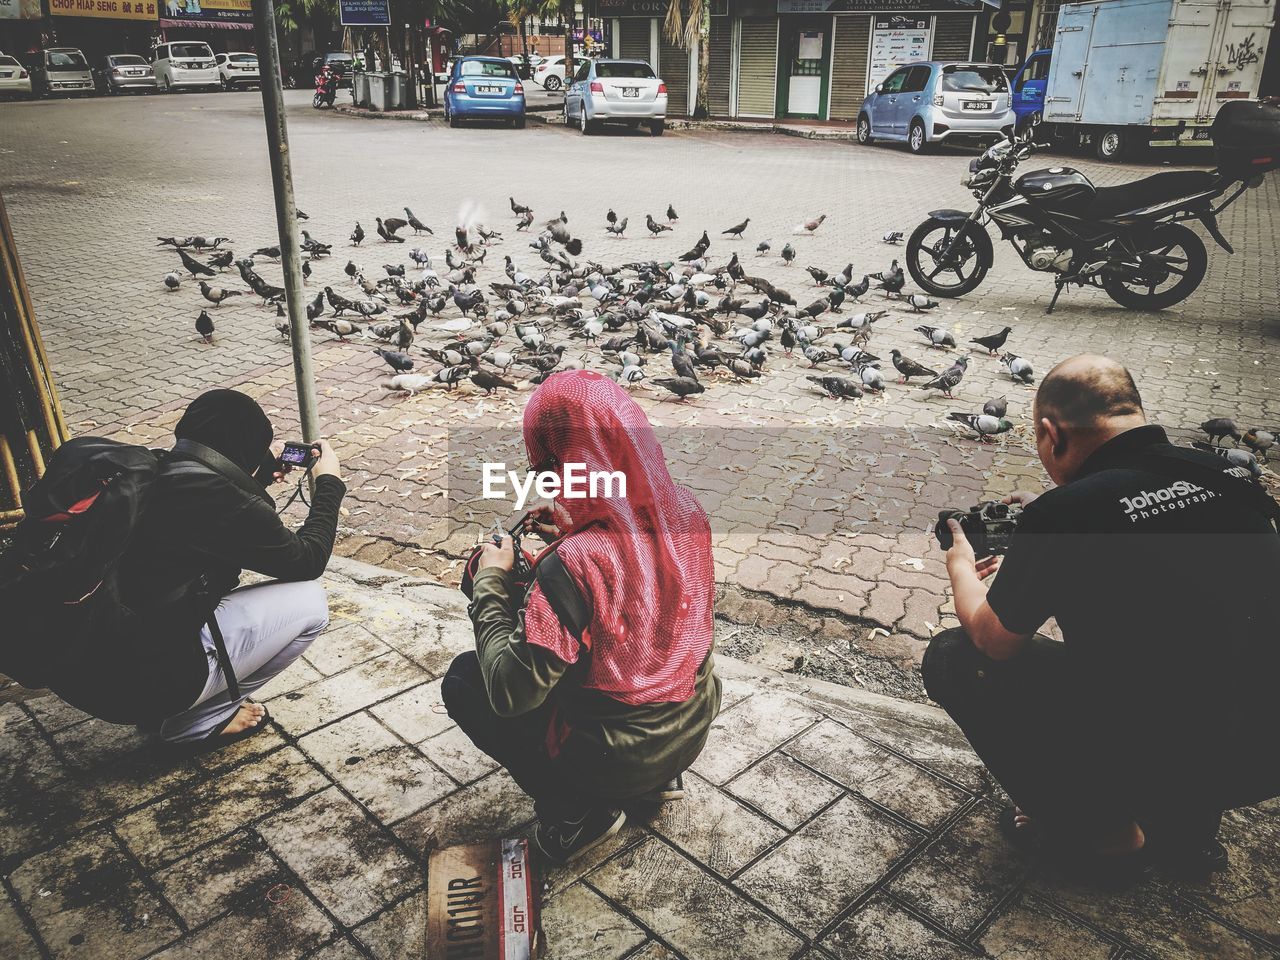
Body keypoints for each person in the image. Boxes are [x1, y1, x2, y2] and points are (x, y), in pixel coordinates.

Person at [924, 355, 1280, 875]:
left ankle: (1102, 832)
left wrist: (960, 566)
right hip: (1260, 746)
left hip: (1160, 740)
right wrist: (1064, 506)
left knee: (954, 657)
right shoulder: (1231, 474)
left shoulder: (1067, 515)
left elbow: (994, 640)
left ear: (1051, 433)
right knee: (1205, 658)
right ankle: (1189, 832)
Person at [442, 370, 721, 865]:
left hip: (614, 756)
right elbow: (636, 576)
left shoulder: (573, 565)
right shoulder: (687, 510)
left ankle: (579, 814)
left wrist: (491, 581)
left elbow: (511, 693)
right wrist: (571, 529)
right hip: (692, 721)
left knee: (466, 679)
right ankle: (659, 781)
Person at [54, 389, 347, 752]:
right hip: (146, 685)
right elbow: (308, 560)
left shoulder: (154, 471)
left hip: (83, 674)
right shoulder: (224, 501)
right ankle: (194, 723)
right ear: (246, 445)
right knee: (310, 604)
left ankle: (167, 709)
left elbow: (212, 521)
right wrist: (330, 483)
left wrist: (256, 476)